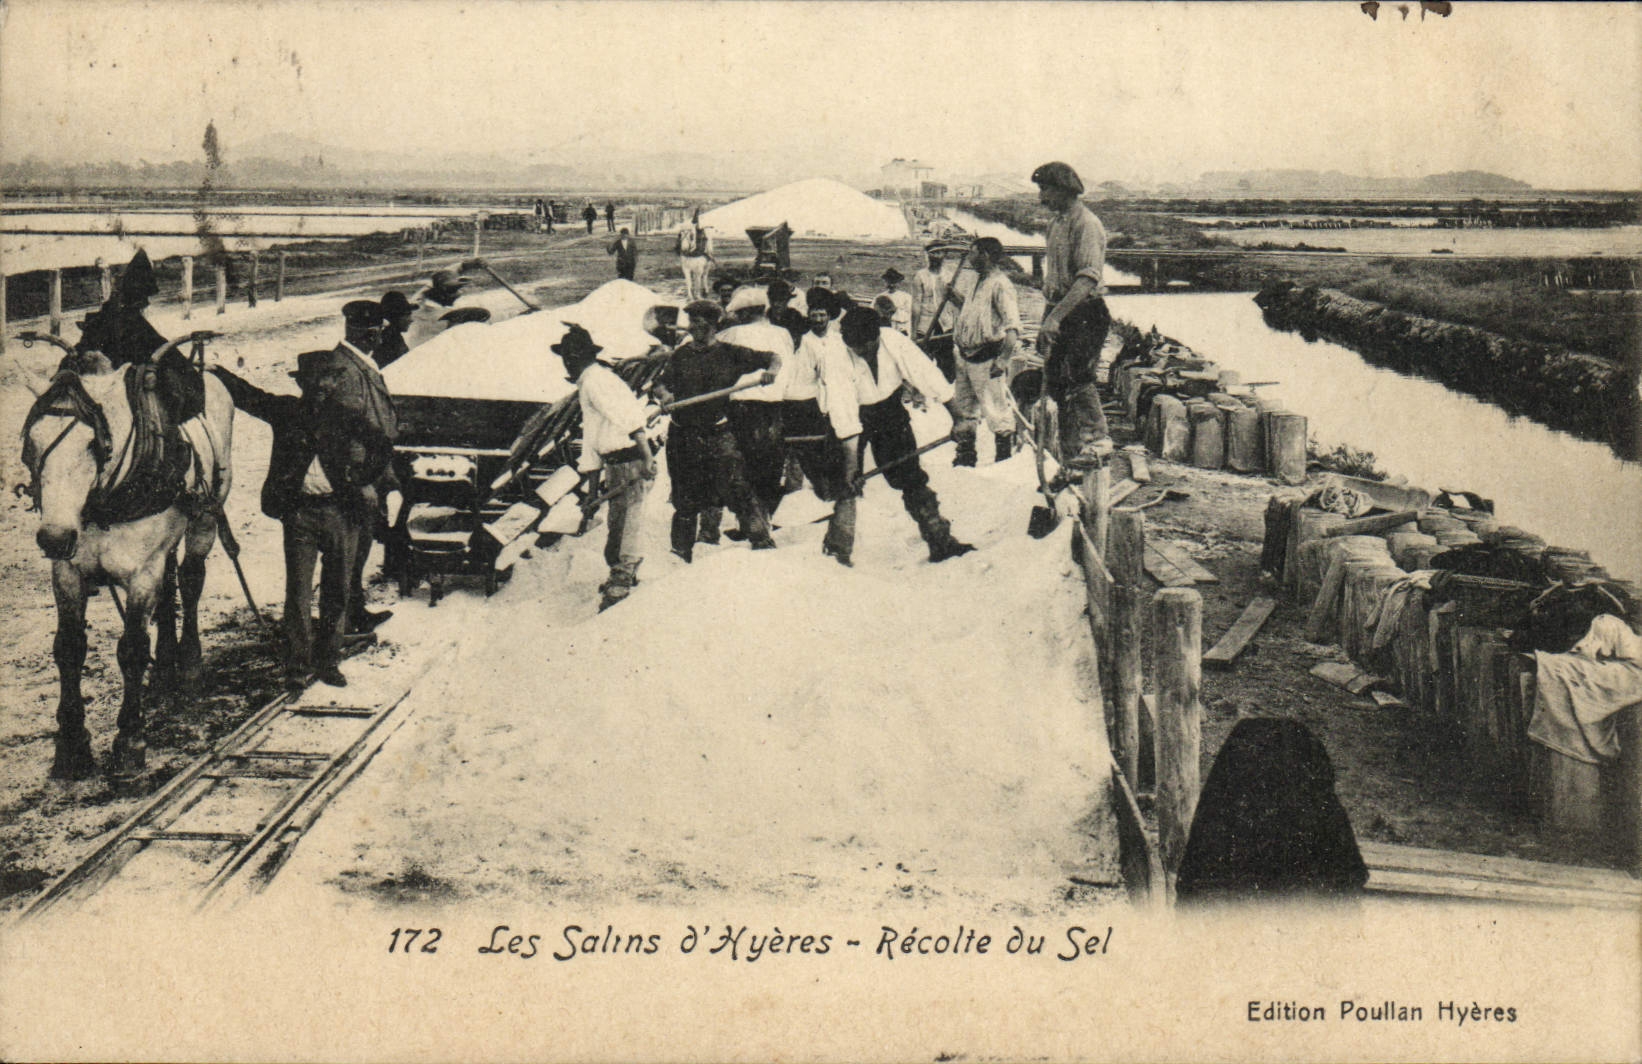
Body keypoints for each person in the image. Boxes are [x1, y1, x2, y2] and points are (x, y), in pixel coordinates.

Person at [211, 347, 394, 691]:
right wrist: (216, 370)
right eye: (320, 379)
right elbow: (248, 396)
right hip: (300, 515)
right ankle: (297, 666)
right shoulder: (286, 411)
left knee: (336, 591)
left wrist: (364, 479)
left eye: (332, 379)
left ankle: (328, 662)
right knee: (297, 595)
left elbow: (383, 446)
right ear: (306, 382)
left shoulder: (347, 415)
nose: (326, 385)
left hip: (342, 513)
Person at [817, 307, 975, 567]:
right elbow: (845, 419)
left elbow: (927, 376)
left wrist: (958, 418)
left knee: (910, 477)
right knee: (845, 483)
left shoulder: (894, 341)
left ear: (877, 337)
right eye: (856, 349)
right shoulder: (835, 356)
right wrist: (851, 469)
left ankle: (940, 541)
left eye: (867, 347)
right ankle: (837, 552)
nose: (862, 353)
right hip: (849, 414)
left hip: (888, 411)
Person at [654, 301, 779, 562]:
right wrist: (665, 396)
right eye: (692, 323)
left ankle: (762, 542)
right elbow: (661, 384)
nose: (695, 328)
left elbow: (772, 357)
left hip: (718, 434)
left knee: (738, 488)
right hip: (683, 435)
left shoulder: (730, 353)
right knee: (684, 498)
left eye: (702, 323)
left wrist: (771, 372)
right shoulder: (681, 355)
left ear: (713, 326)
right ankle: (680, 553)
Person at [558, 323, 657, 611]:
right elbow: (592, 440)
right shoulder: (588, 383)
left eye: (570, 356)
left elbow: (630, 419)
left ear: (580, 357)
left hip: (630, 459)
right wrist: (591, 490)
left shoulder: (597, 381)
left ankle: (622, 580)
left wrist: (647, 457)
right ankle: (621, 571)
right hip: (615, 463)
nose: (566, 362)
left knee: (628, 524)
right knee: (617, 523)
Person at [1031, 160, 1114, 470]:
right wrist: (1046, 320)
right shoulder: (1055, 224)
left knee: (1079, 376)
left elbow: (1087, 279)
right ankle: (1070, 453)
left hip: (1086, 312)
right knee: (1056, 382)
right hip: (1060, 310)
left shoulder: (1086, 224)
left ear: (1064, 189)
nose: (1041, 198)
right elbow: (1054, 283)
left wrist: (1056, 318)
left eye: (1045, 190)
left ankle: (1098, 440)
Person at [328, 300, 400, 637]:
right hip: (359, 478)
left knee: (358, 551)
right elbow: (349, 432)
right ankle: (342, 623)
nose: (378, 337)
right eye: (374, 332)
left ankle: (353, 612)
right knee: (350, 553)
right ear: (362, 332)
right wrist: (362, 480)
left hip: (371, 473)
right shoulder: (346, 370)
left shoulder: (357, 364)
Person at [719, 286, 794, 523]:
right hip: (776, 406)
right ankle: (764, 518)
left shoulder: (731, 334)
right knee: (770, 465)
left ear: (743, 313)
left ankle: (749, 521)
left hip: (742, 406)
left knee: (743, 466)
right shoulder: (783, 334)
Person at [950, 237, 1023, 467]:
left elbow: (1013, 327)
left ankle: (1003, 460)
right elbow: (976, 312)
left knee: (995, 411)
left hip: (987, 357)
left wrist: (1003, 360)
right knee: (964, 409)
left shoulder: (1001, 284)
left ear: (986, 255)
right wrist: (954, 298)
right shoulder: (975, 281)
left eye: (973, 252)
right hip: (964, 356)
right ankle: (965, 455)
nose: (970, 257)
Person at [911, 244, 962, 381]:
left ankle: (946, 394)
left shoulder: (950, 276)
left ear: (944, 255)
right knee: (923, 363)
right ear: (928, 255)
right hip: (925, 325)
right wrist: (914, 331)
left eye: (939, 252)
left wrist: (952, 292)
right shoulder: (920, 276)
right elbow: (916, 304)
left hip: (945, 325)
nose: (935, 256)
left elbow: (958, 303)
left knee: (947, 364)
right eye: (932, 253)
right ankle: (920, 397)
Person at [405, 268, 476, 349]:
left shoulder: (420, 300)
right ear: (443, 292)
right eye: (453, 291)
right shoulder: (440, 315)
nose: (459, 294)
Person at [374, 290, 418, 370]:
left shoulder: (391, 337)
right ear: (395, 317)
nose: (411, 320)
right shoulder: (392, 342)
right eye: (407, 315)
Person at [677, 209, 714, 302]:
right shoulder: (690, 230)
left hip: (697, 253)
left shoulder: (702, 233)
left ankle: (700, 290)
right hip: (688, 255)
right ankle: (690, 294)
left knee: (700, 275)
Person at [766, 278, 809, 350]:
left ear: (787, 300)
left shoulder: (795, 317)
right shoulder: (766, 316)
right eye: (773, 300)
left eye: (781, 300)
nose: (776, 304)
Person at [876, 267, 914, 336]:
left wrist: (894, 311)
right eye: (888, 282)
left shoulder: (906, 297)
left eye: (894, 282)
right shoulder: (879, 297)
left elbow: (909, 315)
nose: (891, 285)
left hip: (900, 329)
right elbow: (874, 313)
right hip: (884, 329)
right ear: (885, 281)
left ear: (899, 282)